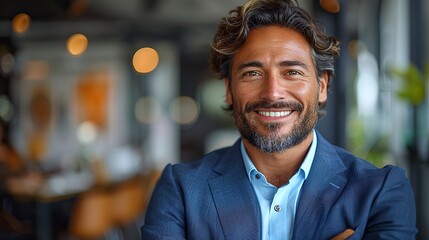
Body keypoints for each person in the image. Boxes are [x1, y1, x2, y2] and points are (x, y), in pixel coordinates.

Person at [141, 0, 418, 239]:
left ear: (322, 86)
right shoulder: (180, 189)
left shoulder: (381, 191)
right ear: (228, 89)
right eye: (252, 73)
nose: (272, 92)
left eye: (292, 72)